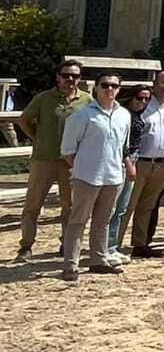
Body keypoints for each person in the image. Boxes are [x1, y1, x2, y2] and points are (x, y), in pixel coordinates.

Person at [59, 74, 133, 281]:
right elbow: (67, 151)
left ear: (119, 89)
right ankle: (70, 265)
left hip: (113, 177)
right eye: (105, 85)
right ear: (97, 88)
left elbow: (122, 147)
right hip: (87, 178)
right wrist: (84, 168)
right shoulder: (82, 116)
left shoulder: (124, 115)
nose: (110, 89)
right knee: (78, 221)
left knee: (103, 221)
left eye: (114, 86)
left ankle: (99, 260)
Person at [124, 68, 164, 259]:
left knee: (147, 207)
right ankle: (113, 245)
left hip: (163, 165)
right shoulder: (144, 104)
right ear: (155, 83)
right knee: (127, 206)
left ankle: (140, 244)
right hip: (140, 163)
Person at [108, 85, 152, 259]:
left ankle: (112, 246)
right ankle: (108, 246)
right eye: (139, 98)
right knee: (114, 207)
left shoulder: (137, 116)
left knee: (122, 207)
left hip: (133, 159)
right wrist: (128, 163)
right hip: (122, 161)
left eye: (146, 99)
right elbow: (121, 143)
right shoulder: (123, 115)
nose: (142, 102)